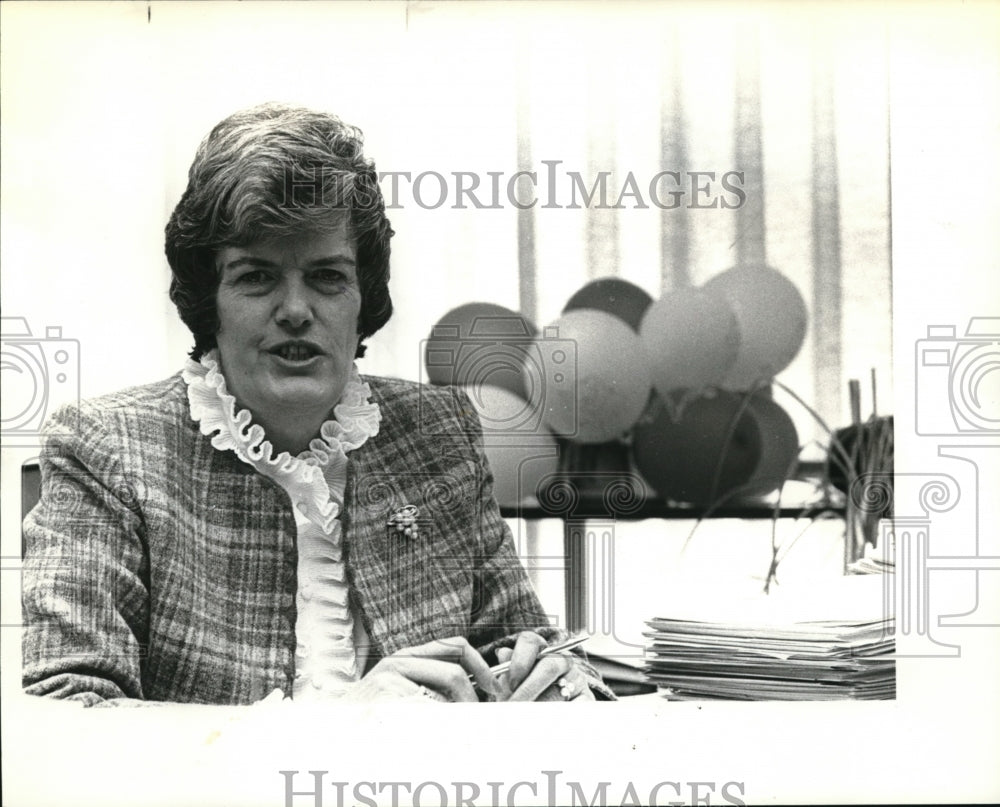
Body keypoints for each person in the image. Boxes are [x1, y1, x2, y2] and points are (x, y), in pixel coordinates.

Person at [21, 103, 611, 705]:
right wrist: (334, 728)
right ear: (209, 301)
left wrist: (550, 679)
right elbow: (67, 710)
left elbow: (519, 643)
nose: (297, 311)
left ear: (364, 299)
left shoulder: (440, 433)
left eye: (327, 277)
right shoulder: (104, 447)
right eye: (256, 277)